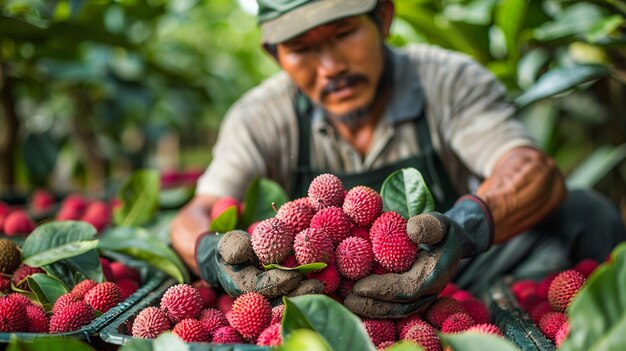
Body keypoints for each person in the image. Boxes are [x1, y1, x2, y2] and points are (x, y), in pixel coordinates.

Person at [170, 0, 626, 318]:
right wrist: (212, 256)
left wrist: (462, 231)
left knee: (584, 213)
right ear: (275, 55)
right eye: (302, 48)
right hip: (322, 303)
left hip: (453, 280)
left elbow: (532, 171)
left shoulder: (447, 80)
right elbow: (195, 212)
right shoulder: (259, 116)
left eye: (345, 32)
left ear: (383, 18)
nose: (330, 66)